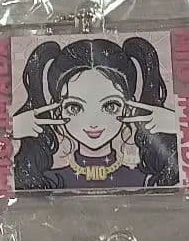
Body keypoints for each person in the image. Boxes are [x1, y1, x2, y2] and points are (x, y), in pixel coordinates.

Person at [12, 38, 178, 189]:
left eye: (110, 106)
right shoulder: (49, 181)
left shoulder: (143, 181)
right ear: (57, 111)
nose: (93, 122)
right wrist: (8, 130)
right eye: (75, 108)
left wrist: (180, 124)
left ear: (128, 108)